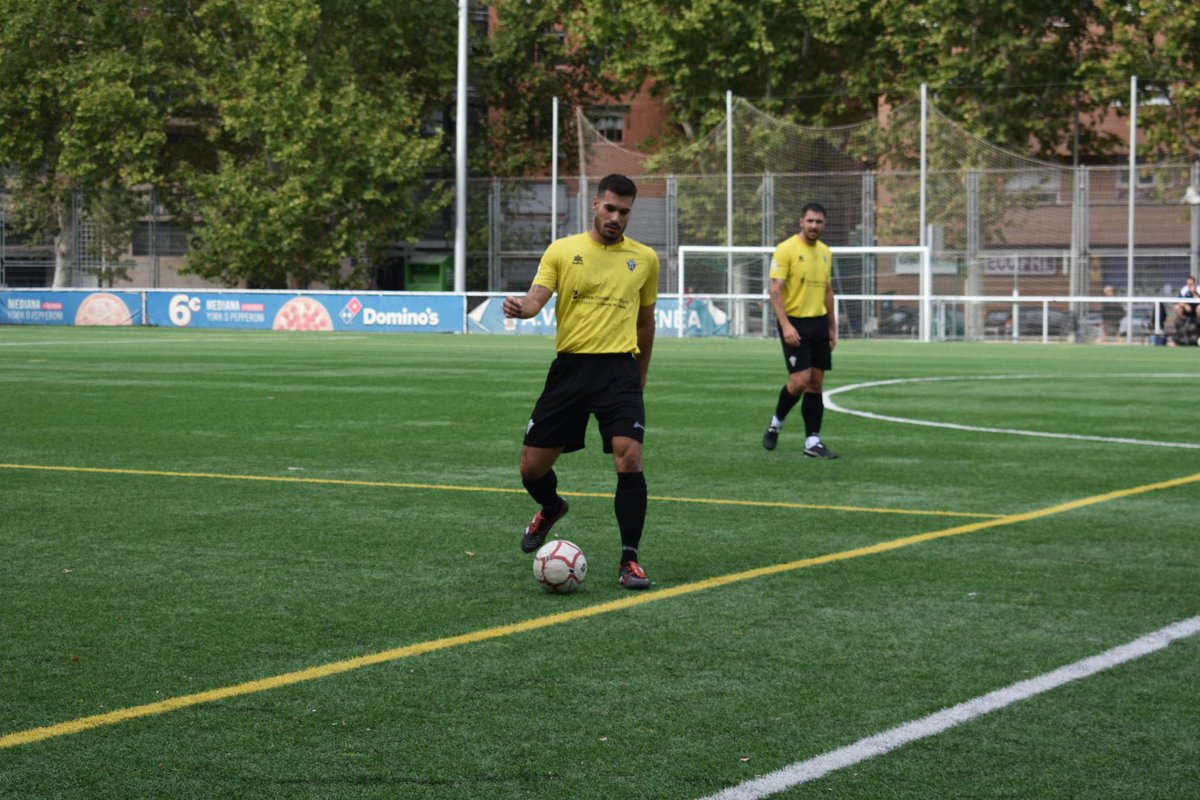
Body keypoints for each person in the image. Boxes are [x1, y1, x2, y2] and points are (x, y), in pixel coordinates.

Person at [503, 174, 660, 590]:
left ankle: (630, 560)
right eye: (609, 208)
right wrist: (522, 308)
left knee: (630, 458)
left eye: (624, 212)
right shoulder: (563, 250)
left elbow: (646, 322)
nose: (616, 217)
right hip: (571, 370)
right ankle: (551, 507)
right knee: (531, 468)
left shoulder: (644, 259)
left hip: (620, 372)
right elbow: (537, 298)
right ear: (595, 205)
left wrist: (639, 376)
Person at [762, 202, 838, 458]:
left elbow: (828, 292)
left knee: (816, 383)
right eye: (810, 221)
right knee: (799, 381)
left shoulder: (826, 252)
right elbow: (775, 291)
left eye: (819, 222)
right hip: (795, 322)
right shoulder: (786, 250)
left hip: (818, 323)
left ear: (824, 225)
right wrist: (785, 326)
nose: (814, 226)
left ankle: (812, 442)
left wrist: (832, 327)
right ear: (801, 222)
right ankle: (776, 423)